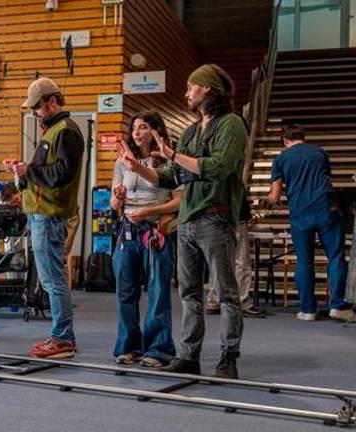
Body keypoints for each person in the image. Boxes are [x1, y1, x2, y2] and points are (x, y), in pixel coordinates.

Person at [122, 64, 246, 378]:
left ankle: (228, 358)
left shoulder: (232, 124)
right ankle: (189, 356)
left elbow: (218, 167)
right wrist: (139, 169)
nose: (186, 92)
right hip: (187, 221)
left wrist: (174, 155)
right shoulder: (191, 131)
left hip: (215, 218)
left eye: (191, 86)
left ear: (208, 89)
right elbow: (171, 176)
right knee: (188, 294)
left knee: (226, 293)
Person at [5, 76, 84, 359]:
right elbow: (43, 175)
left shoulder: (66, 131)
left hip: (50, 217)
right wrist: (22, 172)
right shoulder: (54, 131)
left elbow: (61, 174)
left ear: (52, 101)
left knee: (52, 280)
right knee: (51, 279)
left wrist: (29, 172)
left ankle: (63, 338)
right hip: (42, 215)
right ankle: (62, 337)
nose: (34, 113)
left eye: (37, 107)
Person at [262, 124, 353, 322]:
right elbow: (327, 179)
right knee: (336, 257)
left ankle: (308, 310)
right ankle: (337, 306)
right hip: (326, 209)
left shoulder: (280, 159)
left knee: (305, 261)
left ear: (285, 141)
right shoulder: (320, 153)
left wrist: (266, 202)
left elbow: (275, 195)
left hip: (300, 214)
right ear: (303, 137)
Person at [111, 111, 181, 368]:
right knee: (125, 293)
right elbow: (113, 202)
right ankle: (128, 346)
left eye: (143, 127)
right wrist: (118, 197)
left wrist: (149, 212)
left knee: (158, 291)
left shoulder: (167, 162)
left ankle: (159, 349)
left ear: (155, 131)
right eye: (134, 128)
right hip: (127, 232)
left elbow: (178, 201)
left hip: (156, 232)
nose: (137, 133)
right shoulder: (121, 162)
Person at [205, 190, 266, 318]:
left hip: (214, 216)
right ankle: (242, 301)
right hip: (235, 216)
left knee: (217, 260)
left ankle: (213, 299)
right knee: (241, 261)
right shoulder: (233, 171)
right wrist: (247, 215)